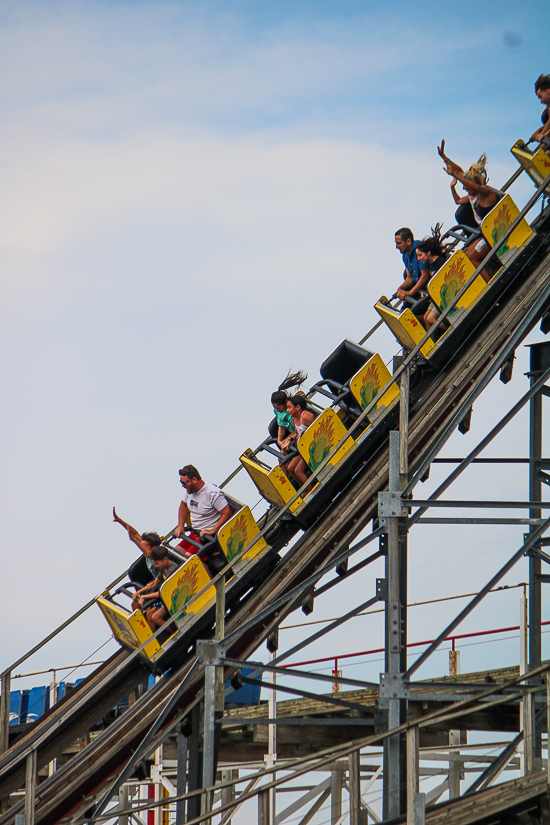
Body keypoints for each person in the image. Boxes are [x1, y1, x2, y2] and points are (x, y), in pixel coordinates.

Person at [438, 141, 502, 282]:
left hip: (494, 233)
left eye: (465, 186)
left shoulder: (486, 193)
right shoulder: (472, 197)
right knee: (465, 252)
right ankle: (488, 275)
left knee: (472, 257)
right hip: (484, 234)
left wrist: (457, 175)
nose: (464, 188)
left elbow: (467, 180)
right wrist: (445, 158)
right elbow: (458, 198)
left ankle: (492, 285)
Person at [112, 508, 168, 606]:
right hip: (154, 582)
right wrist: (120, 521)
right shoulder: (148, 553)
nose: (141, 548)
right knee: (135, 604)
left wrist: (133, 540)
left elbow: (148, 554)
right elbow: (135, 534)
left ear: (153, 548)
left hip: (162, 584)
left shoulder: (157, 555)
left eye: (144, 546)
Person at [134, 546, 180, 632]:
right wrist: (139, 592)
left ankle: (176, 634)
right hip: (166, 596)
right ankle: (154, 639)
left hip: (173, 597)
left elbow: (162, 592)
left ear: (165, 559)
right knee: (149, 613)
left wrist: (144, 597)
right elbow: (154, 583)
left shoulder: (172, 569)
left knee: (155, 617)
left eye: (157, 563)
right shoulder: (163, 568)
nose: (156, 566)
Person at [284, 396, 317, 488]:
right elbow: (296, 432)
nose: (287, 410)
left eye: (289, 407)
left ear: (298, 407)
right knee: (290, 468)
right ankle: (303, 490)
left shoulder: (306, 416)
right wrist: (289, 440)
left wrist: (305, 432)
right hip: (303, 447)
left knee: (298, 470)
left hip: (312, 445)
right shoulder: (295, 419)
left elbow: (317, 428)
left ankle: (311, 491)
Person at [270, 370, 308, 451]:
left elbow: (298, 427)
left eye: (279, 407)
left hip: (299, 434)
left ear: (285, 403)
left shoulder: (291, 411)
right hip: (293, 435)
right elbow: (281, 424)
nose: (277, 410)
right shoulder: (277, 411)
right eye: (275, 408)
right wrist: (279, 440)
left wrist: (288, 439)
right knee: (281, 455)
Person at [394, 228, 431, 308]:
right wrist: (400, 289)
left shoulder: (419, 250)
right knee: (404, 310)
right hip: (418, 287)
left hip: (428, 287)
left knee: (414, 311)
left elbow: (425, 276)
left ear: (408, 241)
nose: (397, 247)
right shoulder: (405, 256)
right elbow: (409, 278)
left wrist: (410, 292)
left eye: (399, 243)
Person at [530, 74, 550, 155]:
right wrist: (538, 132)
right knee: (545, 116)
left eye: (540, 97)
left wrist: (543, 134)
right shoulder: (548, 107)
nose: (541, 101)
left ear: (548, 92)